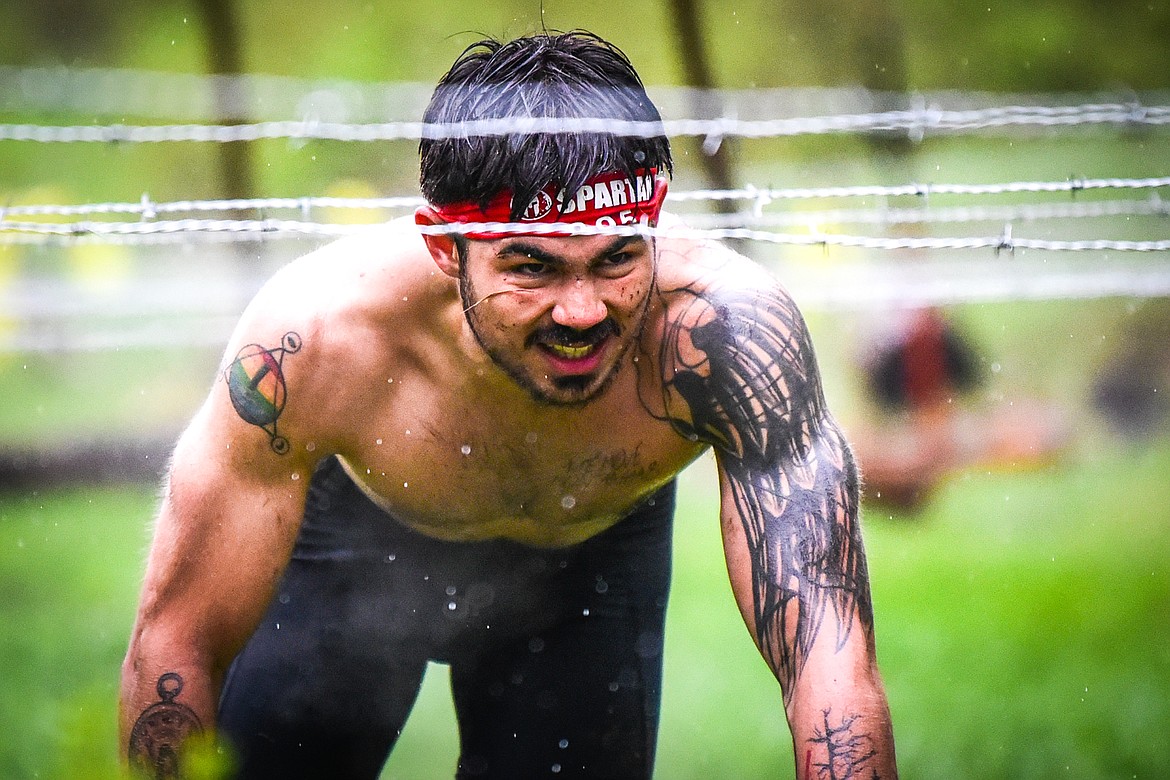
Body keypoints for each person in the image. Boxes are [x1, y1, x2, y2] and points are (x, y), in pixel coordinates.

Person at [120, 31, 897, 779]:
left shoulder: (727, 336)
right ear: (442, 246)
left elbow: (829, 664)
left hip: (591, 559)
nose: (583, 311)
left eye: (618, 257)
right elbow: (176, 642)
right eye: (533, 267)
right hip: (355, 543)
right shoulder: (316, 340)